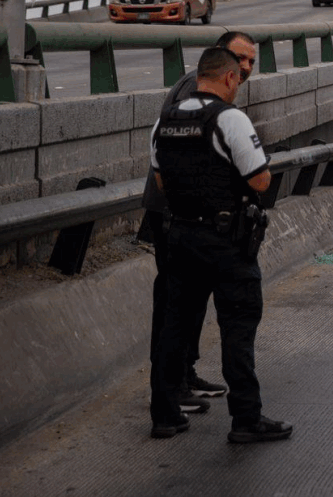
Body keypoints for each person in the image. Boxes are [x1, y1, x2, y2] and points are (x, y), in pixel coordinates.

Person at [149, 47, 291, 443]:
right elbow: (260, 180)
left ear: (198, 77)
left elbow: (161, 182)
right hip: (226, 241)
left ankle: (164, 414)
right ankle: (246, 419)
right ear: (230, 78)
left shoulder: (164, 121)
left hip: (180, 237)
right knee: (238, 329)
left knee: (174, 327)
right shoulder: (228, 118)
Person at [137, 31, 257, 415]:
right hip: (179, 214)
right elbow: (194, 158)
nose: (246, 68)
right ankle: (174, 389)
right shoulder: (200, 95)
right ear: (222, 62)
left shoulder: (208, 93)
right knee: (179, 308)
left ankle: (181, 381)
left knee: (185, 306)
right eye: (240, 59)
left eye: (252, 61)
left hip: (181, 212)